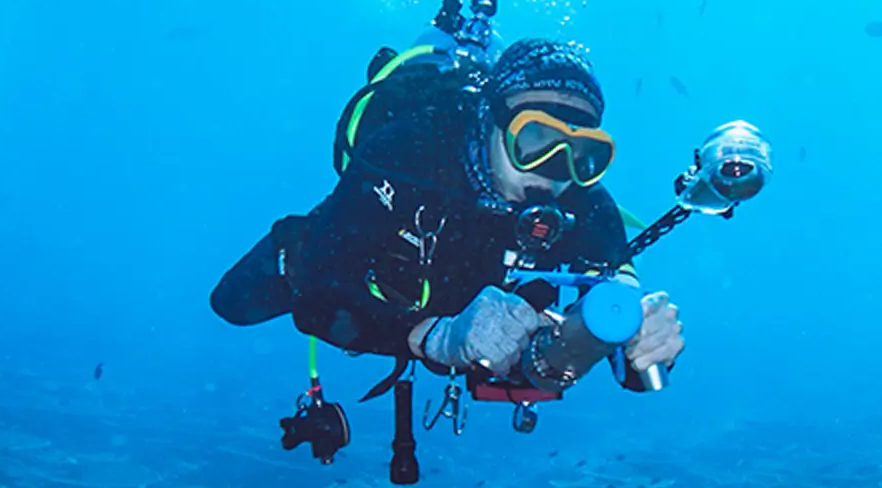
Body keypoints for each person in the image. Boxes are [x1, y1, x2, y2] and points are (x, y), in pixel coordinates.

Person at [211, 33, 685, 388]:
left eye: (583, 153)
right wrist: (432, 338)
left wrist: (647, 344)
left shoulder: (583, 198)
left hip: (461, 310)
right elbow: (320, 300)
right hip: (381, 286)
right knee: (234, 303)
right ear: (491, 123)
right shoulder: (407, 154)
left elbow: (630, 345)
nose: (556, 169)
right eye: (535, 139)